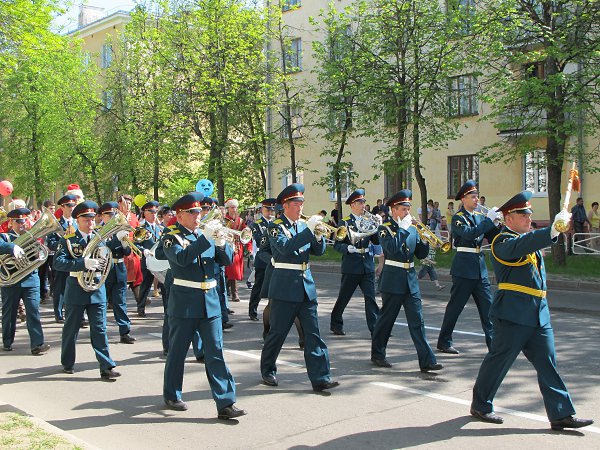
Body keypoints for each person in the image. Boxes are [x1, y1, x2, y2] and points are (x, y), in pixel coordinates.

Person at [470, 191, 594, 431]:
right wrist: (552, 230)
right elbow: (524, 244)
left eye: (529, 214)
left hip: (538, 314)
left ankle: (561, 413)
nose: (529, 218)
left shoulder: (527, 239)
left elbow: (532, 247)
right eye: (523, 215)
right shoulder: (502, 241)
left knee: (548, 363)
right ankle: (481, 404)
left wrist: (553, 231)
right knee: (499, 362)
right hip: (513, 314)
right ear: (509, 218)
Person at [161, 192, 246, 420]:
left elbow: (226, 261)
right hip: (185, 301)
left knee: (215, 352)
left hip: (210, 302)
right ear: (180, 216)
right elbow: (181, 259)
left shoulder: (205, 234)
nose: (198, 216)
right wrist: (206, 238)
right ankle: (172, 393)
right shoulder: (171, 236)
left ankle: (226, 402)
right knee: (178, 352)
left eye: (199, 211)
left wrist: (221, 243)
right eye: (192, 212)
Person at [261, 183, 339, 391]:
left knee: (313, 334)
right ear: (285, 205)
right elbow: (285, 248)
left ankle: (321, 377)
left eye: (302, 203)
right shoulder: (275, 227)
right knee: (278, 332)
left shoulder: (303, 226)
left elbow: (318, 251)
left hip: (306, 285)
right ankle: (268, 369)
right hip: (285, 286)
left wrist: (319, 235)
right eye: (296, 203)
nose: (300, 208)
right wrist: (309, 231)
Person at [370, 190, 442, 373]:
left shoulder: (411, 227)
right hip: (392, 279)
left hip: (410, 279)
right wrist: (402, 228)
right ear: (394, 210)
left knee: (418, 321)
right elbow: (392, 249)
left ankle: (427, 360)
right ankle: (378, 353)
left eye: (408, 209)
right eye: (403, 209)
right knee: (386, 320)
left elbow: (420, 254)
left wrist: (425, 240)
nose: (407, 213)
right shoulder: (384, 228)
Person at [54, 201, 121, 379]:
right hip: (76, 288)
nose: (90, 222)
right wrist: (82, 263)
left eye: (92, 218)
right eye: (86, 218)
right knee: (71, 329)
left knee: (100, 329)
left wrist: (119, 242)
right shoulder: (68, 240)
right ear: (78, 219)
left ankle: (106, 366)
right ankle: (67, 362)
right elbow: (58, 263)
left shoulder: (100, 238)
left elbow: (112, 261)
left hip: (97, 288)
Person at [437, 180, 501, 355]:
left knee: (488, 309)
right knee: (455, 308)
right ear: (463, 199)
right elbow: (469, 233)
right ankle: (444, 341)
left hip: (479, 269)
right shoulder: (458, 218)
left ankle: (494, 345)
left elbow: (494, 236)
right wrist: (488, 221)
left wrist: (498, 223)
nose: (477, 200)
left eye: (477, 197)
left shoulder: (480, 217)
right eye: (473, 197)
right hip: (464, 268)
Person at [330, 189, 380, 336]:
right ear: (352, 205)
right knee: (344, 297)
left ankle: (376, 328)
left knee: (370, 298)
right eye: (360, 202)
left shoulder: (368, 221)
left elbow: (376, 241)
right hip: (351, 265)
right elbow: (337, 244)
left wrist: (377, 226)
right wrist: (347, 248)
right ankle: (336, 323)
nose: (363, 205)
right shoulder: (344, 222)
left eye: (364, 202)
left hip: (367, 265)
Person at [1, 208, 50, 355]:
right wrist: (12, 247)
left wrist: (38, 252)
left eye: (23, 221)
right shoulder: (5, 237)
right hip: (12, 281)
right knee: (9, 313)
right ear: (11, 222)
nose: (21, 224)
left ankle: (37, 344)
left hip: (30, 280)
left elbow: (41, 256)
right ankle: (7, 341)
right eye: (18, 221)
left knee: (33, 312)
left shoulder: (31, 237)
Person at [98, 202, 136, 344]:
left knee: (120, 302)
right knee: (102, 301)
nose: (112, 217)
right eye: (109, 215)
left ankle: (125, 332)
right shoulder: (98, 231)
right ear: (102, 216)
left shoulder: (118, 230)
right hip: (105, 268)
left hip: (119, 267)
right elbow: (104, 248)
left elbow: (127, 252)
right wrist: (117, 239)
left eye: (114, 214)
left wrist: (125, 244)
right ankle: (100, 330)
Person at [47, 194, 78, 323]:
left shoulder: (78, 222)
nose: (72, 208)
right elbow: (51, 244)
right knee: (59, 288)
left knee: (75, 287)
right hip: (62, 260)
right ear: (62, 207)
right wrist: (63, 238)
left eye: (73, 205)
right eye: (69, 206)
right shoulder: (55, 224)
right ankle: (58, 314)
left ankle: (75, 313)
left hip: (75, 260)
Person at [248, 198, 277, 321]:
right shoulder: (257, 224)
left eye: (272, 210)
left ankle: (274, 312)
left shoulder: (277, 223)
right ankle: (252, 310)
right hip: (263, 260)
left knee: (275, 287)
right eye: (267, 209)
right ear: (262, 210)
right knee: (258, 286)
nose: (270, 212)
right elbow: (260, 242)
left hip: (275, 259)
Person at [135, 201, 163, 317]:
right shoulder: (141, 227)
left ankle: (167, 308)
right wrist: (143, 251)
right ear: (144, 213)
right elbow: (135, 244)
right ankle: (141, 308)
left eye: (156, 212)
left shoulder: (159, 228)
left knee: (164, 284)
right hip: (147, 260)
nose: (154, 214)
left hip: (159, 261)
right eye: (151, 211)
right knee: (145, 285)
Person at [118, 194, 143, 311]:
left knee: (137, 278)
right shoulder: (116, 216)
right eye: (125, 203)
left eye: (129, 203)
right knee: (120, 280)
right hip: (120, 250)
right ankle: (114, 302)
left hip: (133, 251)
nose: (128, 205)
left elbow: (138, 232)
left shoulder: (133, 216)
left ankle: (140, 302)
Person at [224, 198, 251, 302]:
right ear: (228, 208)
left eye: (235, 207)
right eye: (232, 207)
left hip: (237, 246)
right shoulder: (224, 219)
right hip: (227, 246)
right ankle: (231, 292)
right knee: (229, 270)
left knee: (234, 271)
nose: (234, 209)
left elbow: (246, 233)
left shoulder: (240, 220)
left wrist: (248, 248)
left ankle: (231, 291)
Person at [39, 200, 56, 304]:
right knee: (43, 273)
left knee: (54, 273)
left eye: (53, 209)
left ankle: (53, 292)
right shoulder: (41, 220)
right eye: (50, 209)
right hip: (43, 250)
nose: (52, 211)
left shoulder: (55, 220)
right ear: (45, 209)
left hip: (52, 251)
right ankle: (43, 294)